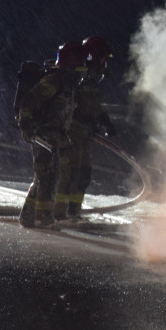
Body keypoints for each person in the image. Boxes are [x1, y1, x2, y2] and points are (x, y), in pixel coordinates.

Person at [16, 41, 86, 228]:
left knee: (45, 177)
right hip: (43, 136)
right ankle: (42, 219)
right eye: (80, 67)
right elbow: (30, 100)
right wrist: (26, 125)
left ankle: (29, 216)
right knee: (46, 177)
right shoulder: (54, 81)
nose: (82, 72)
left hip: (55, 137)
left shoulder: (68, 84)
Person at [53, 36, 116, 221]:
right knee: (68, 174)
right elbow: (76, 103)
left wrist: (103, 120)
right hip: (72, 132)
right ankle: (60, 212)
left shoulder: (89, 76)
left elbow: (92, 103)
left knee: (83, 175)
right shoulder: (79, 75)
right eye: (103, 57)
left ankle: (74, 210)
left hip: (84, 133)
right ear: (95, 56)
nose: (105, 62)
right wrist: (93, 118)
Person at [0, 31, 22, 143]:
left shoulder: (5, 52)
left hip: (5, 84)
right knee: (12, 110)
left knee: (3, 110)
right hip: (14, 84)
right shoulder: (17, 53)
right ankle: (12, 135)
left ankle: (4, 134)